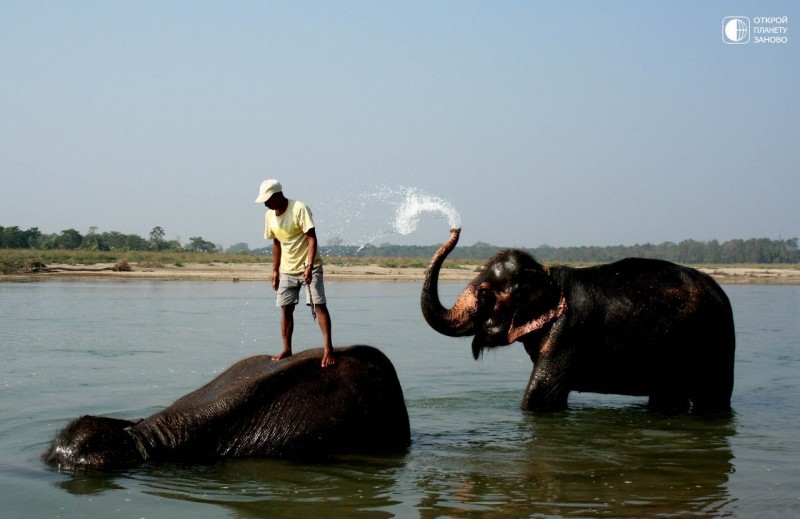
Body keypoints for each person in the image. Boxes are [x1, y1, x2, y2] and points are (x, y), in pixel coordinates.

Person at [255, 179, 335, 368]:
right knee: (286, 307)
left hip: (310, 266)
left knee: (318, 305)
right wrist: (275, 270)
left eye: (268, 200)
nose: (266, 204)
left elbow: (311, 238)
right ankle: (287, 348)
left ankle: (328, 348)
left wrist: (308, 266)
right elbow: (276, 243)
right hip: (287, 270)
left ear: (277, 195)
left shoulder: (299, 208)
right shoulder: (269, 216)